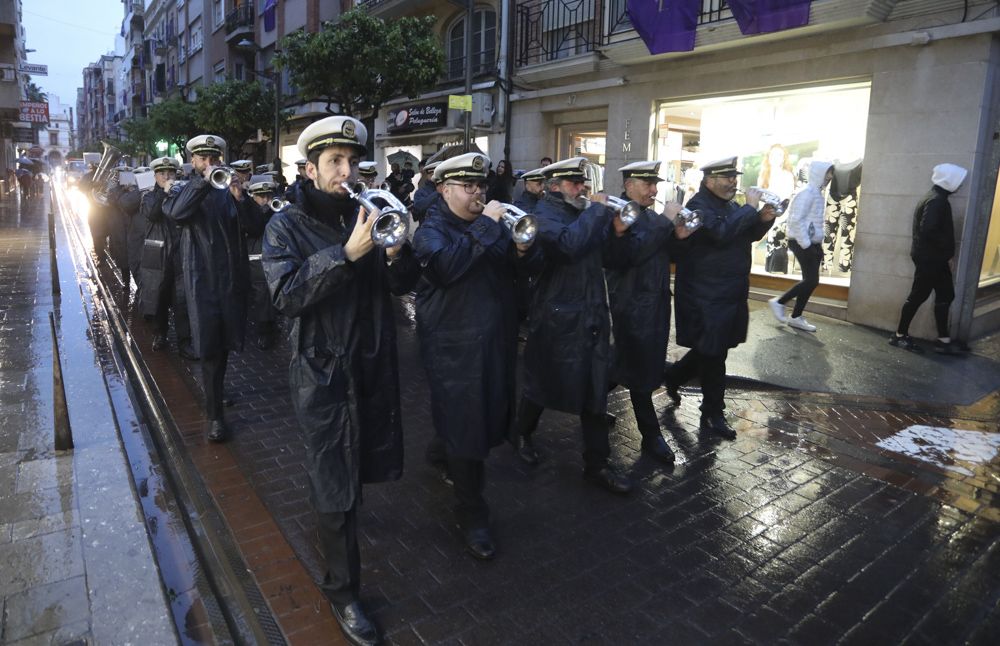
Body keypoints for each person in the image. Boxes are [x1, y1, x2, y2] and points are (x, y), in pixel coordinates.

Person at [261, 116, 420, 646]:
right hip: (322, 369)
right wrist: (345, 255)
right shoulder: (285, 225)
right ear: (309, 169)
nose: (346, 171)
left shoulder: (367, 212)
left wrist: (398, 253)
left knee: (358, 467)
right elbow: (285, 297)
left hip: (369, 358)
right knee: (333, 481)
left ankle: (343, 542)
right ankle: (343, 591)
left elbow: (400, 287)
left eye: (352, 161)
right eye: (334, 162)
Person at [412, 152, 539, 560]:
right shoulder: (430, 231)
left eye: (482, 186)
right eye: (469, 187)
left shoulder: (491, 228)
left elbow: (517, 273)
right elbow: (447, 268)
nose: (478, 194)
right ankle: (473, 514)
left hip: (493, 342)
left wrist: (522, 251)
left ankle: (439, 450)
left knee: (475, 418)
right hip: (453, 349)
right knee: (467, 427)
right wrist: (487, 225)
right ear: (444, 189)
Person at [511, 157, 634, 495]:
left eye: (583, 183)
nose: (582, 188)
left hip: (592, 313)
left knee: (595, 389)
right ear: (554, 186)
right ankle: (521, 432)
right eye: (574, 183)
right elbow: (568, 246)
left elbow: (613, 260)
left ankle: (597, 464)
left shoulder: (583, 214)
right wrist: (596, 212)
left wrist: (619, 234)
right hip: (557, 317)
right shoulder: (542, 216)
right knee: (542, 383)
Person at [663, 157, 776, 439]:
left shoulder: (729, 205)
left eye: (734, 177)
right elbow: (722, 234)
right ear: (709, 179)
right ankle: (713, 412)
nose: (732, 183)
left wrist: (763, 220)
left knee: (712, 349)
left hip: (730, 292)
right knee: (714, 356)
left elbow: (744, 234)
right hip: (706, 295)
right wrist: (750, 207)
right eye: (726, 178)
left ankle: (675, 376)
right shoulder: (698, 206)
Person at [163, 134, 250, 443]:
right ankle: (215, 416)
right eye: (204, 159)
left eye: (214, 158)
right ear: (195, 162)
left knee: (225, 343)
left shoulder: (229, 189)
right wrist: (204, 181)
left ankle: (217, 392)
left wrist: (242, 198)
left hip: (230, 278)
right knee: (210, 347)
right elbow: (176, 213)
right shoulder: (184, 189)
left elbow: (254, 225)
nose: (210, 163)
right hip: (202, 279)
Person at [605, 161, 692, 465]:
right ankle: (651, 435)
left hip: (653, 304)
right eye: (647, 184)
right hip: (629, 306)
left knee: (618, 368)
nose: (654, 190)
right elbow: (632, 252)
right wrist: (667, 224)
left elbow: (668, 256)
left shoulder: (653, 218)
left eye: (655, 184)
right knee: (640, 373)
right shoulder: (618, 215)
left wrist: (680, 237)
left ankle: (590, 407)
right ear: (629, 185)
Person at [889, 163, 968, 354]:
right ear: (949, 181)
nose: (961, 185)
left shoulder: (936, 198)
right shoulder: (936, 200)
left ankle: (943, 340)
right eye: (958, 181)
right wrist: (946, 251)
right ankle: (899, 336)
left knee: (945, 295)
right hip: (930, 259)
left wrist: (945, 254)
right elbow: (928, 230)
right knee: (919, 295)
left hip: (935, 258)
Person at [138, 157, 195, 358]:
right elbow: (153, 215)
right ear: (155, 176)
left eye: (170, 173)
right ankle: (160, 334)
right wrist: (164, 192)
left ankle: (185, 342)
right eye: (162, 173)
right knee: (158, 298)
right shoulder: (149, 196)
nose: (167, 177)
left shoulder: (181, 193)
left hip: (179, 252)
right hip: (158, 254)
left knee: (181, 300)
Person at [768, 160, 834, 332]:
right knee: (812, 280)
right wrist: (807, 245)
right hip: (801, 241)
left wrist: (814, 244)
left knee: (810, 281)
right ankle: (780, 302)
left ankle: (796, 316)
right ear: (818, 174)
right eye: (828, 173)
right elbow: (796, 220)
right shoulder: (807, 193)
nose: (830, 177)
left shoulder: (817, 193)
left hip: (810, 242)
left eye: (831, 173)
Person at [243, 178, 281, 349]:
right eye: (261, 196)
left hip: (275, 256)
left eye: (268, 195)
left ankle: (271, 326)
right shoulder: (249, 209)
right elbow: (254, 227)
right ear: (253, 196)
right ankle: (264, 331)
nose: (266, 199)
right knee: (261, 295)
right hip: (256, 257)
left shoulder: (276, 208)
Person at [410, 159, 439, 224]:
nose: (433, 177)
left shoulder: (448, 189)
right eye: (431, 174)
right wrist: (437, 193)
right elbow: (419, 208)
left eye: (435, 174)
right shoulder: (420, 192)